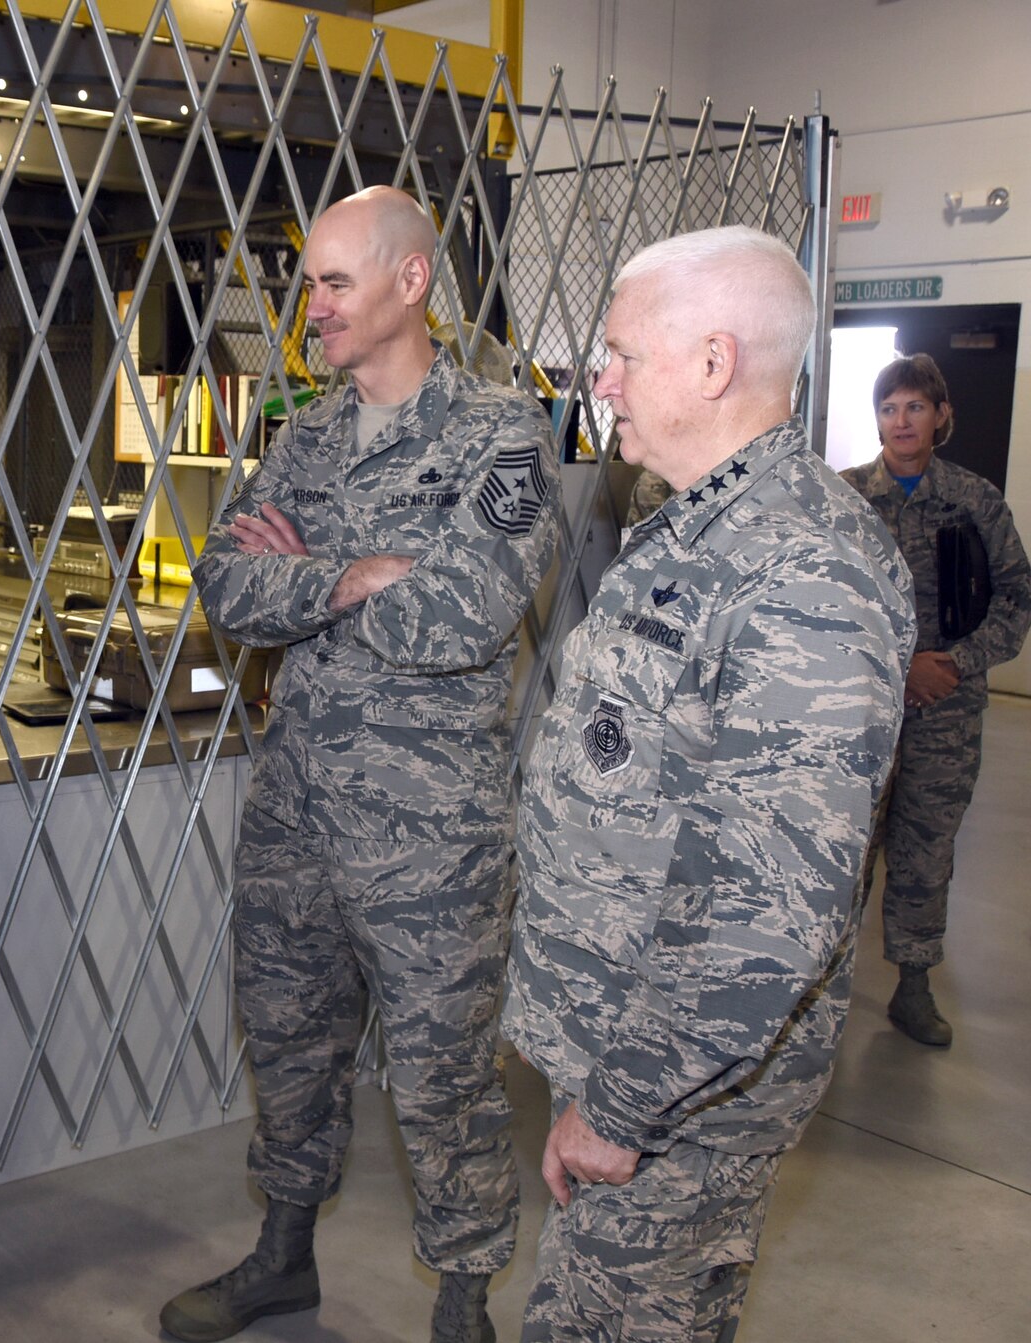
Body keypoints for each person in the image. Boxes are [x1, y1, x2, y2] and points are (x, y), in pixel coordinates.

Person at [506, 226, 914, 1342]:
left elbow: (764, 903)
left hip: (682, 1084)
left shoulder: (802, 572)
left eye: (619, 353)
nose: (597, 378)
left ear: (711, 363)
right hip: (634, 1043)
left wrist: (623, 1100)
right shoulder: (687, 518)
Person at [172, 186, 560, 1343]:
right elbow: (227, 583)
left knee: (442, 1075)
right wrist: (352, 573)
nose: (312, 307)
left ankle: (461, 1300)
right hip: (294, 808)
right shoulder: (307, 431)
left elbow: (466, 618)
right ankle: (282, 1254)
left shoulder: (499, 434)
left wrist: (316, 571)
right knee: (287, 1035)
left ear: (409, 280)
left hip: (428, 830)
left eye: (333, 283)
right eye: (308, 285)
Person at [840, 354, 1031, 1046]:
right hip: (863, 705)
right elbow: (820, 604)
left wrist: (955, 663)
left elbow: (1016, 597)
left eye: (915, 406)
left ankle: (913, 986)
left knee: (926, 845)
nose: (901, 420)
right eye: (890, 407)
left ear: (941, 416)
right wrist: (901, 666)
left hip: (946, 710)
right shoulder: (848, 498)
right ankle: (819, 990)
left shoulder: (974, 501)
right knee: (845, 845)